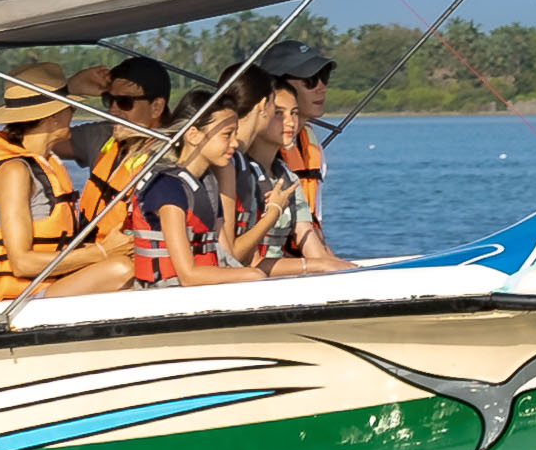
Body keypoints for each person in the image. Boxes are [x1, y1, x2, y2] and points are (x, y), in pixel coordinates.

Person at [0, 67, 120, 305]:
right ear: (53, 117)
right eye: (70, 107)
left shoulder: (43, 162)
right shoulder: (14, 171)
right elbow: (22, 264)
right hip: (6, 305)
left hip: (41, 292)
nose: (73, 113)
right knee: (121, 270)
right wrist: (102, 252)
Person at [129, 97, 252, 289]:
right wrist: (252, 274)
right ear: (193, 135)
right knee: (254, 275)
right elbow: (187, 275)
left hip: (203, 289)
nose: (235, 143)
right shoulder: (167, 188)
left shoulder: (207, 185)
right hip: (167, 291)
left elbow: (226, 254)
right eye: (227, 134)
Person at [247, 40, 348, 272]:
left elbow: (310, 224)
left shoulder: (310, 147)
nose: (321, 87)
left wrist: (333, 262)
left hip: (303, 258)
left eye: (324, 78)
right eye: (310, 80)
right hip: (266, 266)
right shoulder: (250, 160)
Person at [74, 54, 172, 256]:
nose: (113, 110)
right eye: (108, 100)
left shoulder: (171, 160)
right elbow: (40, 135)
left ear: (156, 107)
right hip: (86, 255)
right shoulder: (103, 136)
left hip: (125, 261)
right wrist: (71, 88)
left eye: (124, 102)